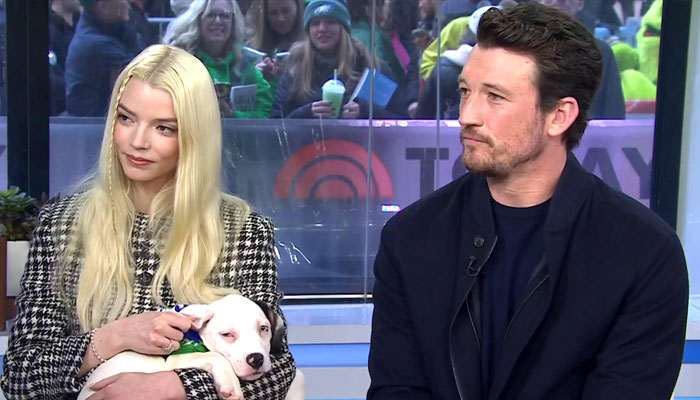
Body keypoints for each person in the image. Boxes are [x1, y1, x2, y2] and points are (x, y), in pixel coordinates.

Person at [368, 3, 688, 399]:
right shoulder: (410, 237)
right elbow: (396, 389)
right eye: (466, 91)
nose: (467, 115)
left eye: (495, 97)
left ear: (560, 116)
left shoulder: (644, 254)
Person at [0, 45, 297, 400]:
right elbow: (19, 375)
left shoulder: (242, 231)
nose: (137, 141)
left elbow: (276, 371)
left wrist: (173, 386)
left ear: (194, 137)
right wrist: (113, 337)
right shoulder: (62, 225)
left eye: (164, 128)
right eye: (126, 119)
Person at [271, 0, 392, 119]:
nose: (322, 28)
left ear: (343, 27)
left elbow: (399, 121)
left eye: (330, 22)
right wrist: (306, 113)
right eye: (315, 23)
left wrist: (364, 112)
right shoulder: (295, 66)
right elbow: (276, 122)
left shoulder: (369, 65)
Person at [163, 0, 274, 118]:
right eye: (210, 15)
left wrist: (233, 116)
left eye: (224, 16)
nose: (217, 21)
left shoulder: (245, 62)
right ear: (198, 20)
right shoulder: (180, 60)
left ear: (233, 23)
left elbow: (266, 112)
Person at [65, 0, 146, 116]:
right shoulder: (95, 44)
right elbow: (148, 73)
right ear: (103, 8)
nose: (129, 2)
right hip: (91, 123)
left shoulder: (107, 31)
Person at [247, 0, 305, 92]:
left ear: (298, 9)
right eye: (273, 13)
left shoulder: (312, 42)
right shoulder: (251, 48)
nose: (280, 18)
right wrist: (256, 77)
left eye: (286, 11)